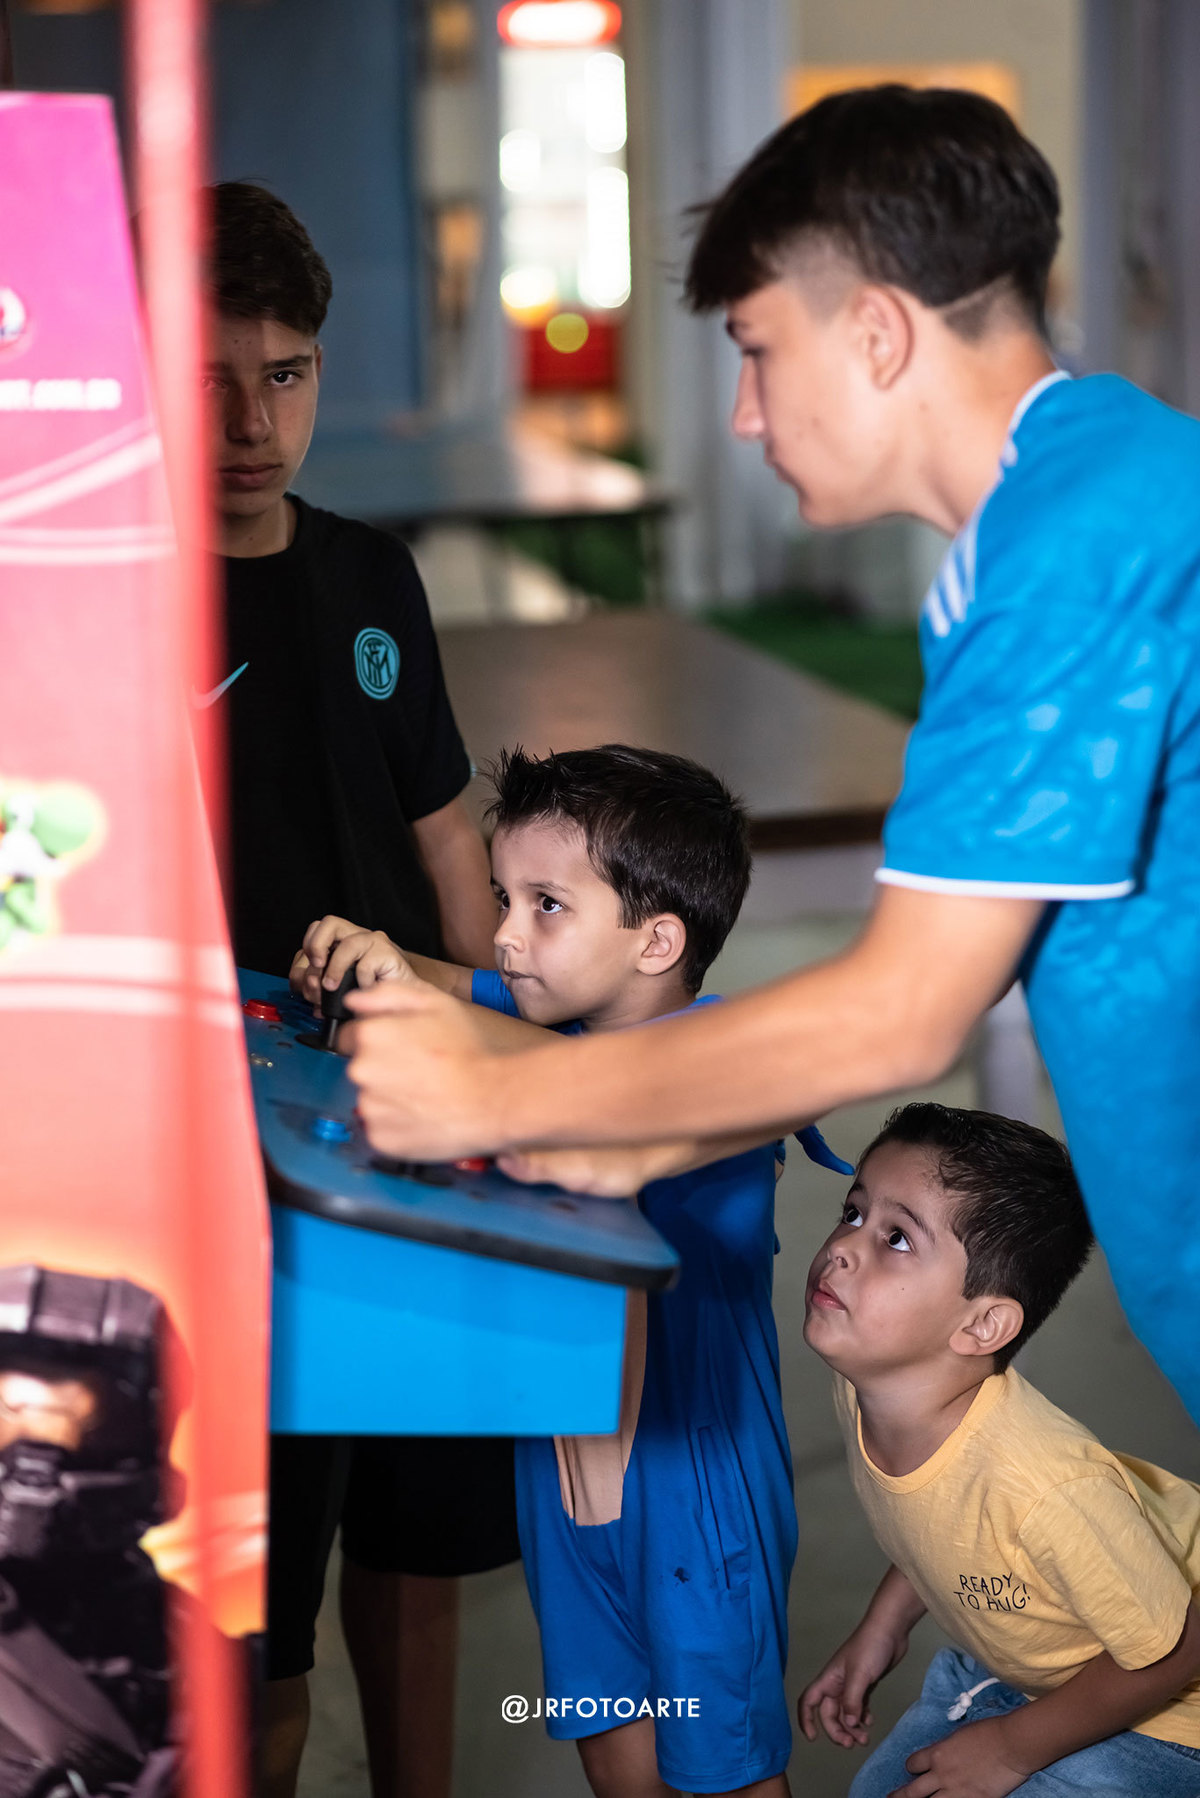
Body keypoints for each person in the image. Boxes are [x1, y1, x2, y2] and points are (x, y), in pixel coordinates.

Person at [335, 85, 1200, 1424]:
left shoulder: (1072, 550)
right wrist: (613, 1124)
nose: (744, 413)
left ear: (877, 334)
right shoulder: (1081, 496)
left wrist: (500, 1092)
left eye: (757, 350)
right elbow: (971, 957)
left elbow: (903, 1009)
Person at [294, 744, 854, 1798]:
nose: (507, 932)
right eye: (504, 896)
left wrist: (448, 1033)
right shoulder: (557, 1013)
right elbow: (454, 983)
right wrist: (382, 957)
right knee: (619, 1761)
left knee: (725, 1775)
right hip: (561, 1477)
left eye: (547, 905)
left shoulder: (724, 1056)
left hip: (694, 1484)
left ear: (658, 942)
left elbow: (650, 1082)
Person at [202, 181, 513, 1798]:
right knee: (257, 1607)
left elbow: (444, 834)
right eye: (210, 379)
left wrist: (512, 1046)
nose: (253, 422)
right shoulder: (107, 594)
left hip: (406, 1124)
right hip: (222, 1161)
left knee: (417, 1527)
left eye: (288, 374)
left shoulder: (376, 575)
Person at [797, 1102, 1200, 1798]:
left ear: (983, 1325)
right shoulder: (871, 1387)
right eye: (854, 1212)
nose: (844, 1247)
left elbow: (1176, 1648)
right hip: (1050, 1670)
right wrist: (880, 1632)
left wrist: (1012, 1749)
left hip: (1174, 1712)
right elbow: (943, 1518)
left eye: (897, 1238)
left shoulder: (1046, 1486)